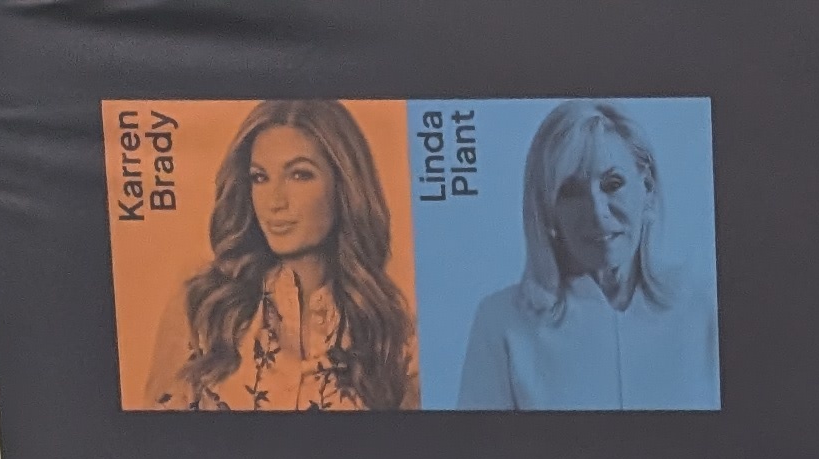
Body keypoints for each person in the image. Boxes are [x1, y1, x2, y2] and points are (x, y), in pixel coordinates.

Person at [139, 99, 418, 411]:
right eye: (260, 177)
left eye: (299, 175)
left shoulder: (396, 328)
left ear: (345, 186)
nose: (275, 201)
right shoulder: (202, 306)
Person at [457, 101, 721, 409]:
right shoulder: (503, 323)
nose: (596, 213)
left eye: (613, 184)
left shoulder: (703, 307)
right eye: (570, 192)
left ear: (647, 189)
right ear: (547, 211)